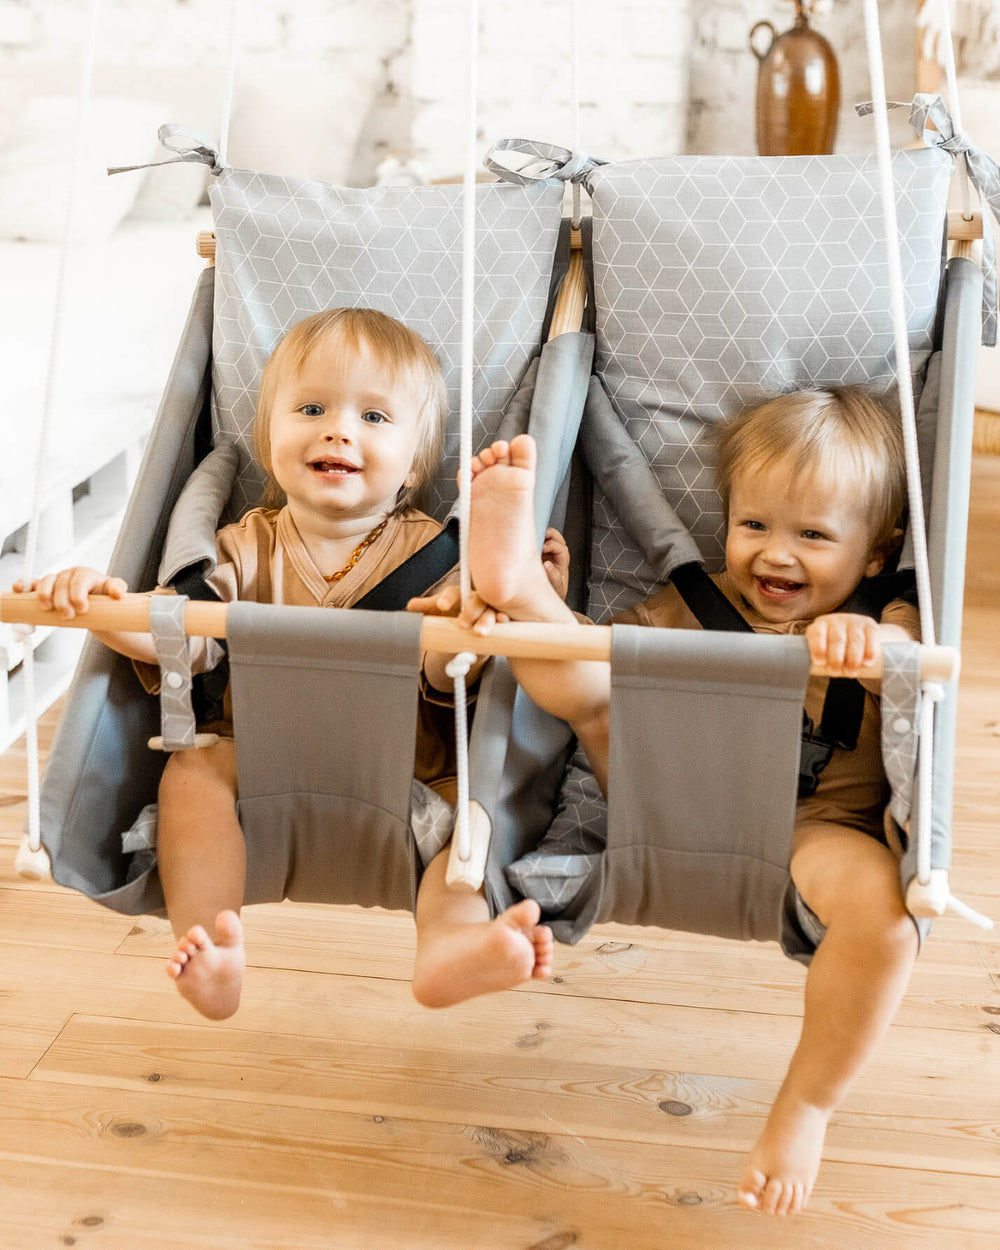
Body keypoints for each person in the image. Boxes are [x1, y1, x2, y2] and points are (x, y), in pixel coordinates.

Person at [19, 307, 560, 1020]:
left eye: (374, 417)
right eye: (311, 408)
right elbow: (182, 636)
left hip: (412, 782)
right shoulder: (245, 546)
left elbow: (449, 679)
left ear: (416, 463)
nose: (338, 429)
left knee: (471, 823)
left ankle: (449, 946)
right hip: (261, 773)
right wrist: (97, 604)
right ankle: (212, 946)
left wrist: (470, 620)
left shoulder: (440, 554)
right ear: (270, 439)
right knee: (193, 770)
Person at [457, 386, 921, 1218]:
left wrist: (876, 645)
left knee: (887, 924)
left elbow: (913, 655)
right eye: (756, 527)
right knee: (595, 688)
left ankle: (806, 1106)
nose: (777, 555)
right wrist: (562, 618)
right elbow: (609, 656)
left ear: (877, 554)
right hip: (668, 794)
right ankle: (521, 593)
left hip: (813, 826)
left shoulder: (878, 611)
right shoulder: (693, 602)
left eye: (813, 535)